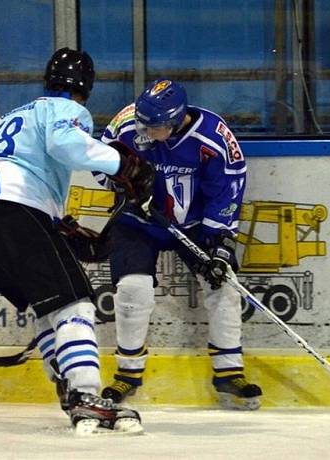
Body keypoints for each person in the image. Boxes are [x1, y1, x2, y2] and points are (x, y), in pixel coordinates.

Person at [0, 48, 154, 434]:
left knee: (48, 304)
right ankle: (86, 395)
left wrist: (59, 228)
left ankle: (67, 387)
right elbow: (66, 145)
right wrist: (123, 163)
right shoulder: (66, 110)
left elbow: (28, 166)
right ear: (86, 87)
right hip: (14, 207)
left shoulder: (15, 115)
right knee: (75, 301)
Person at [97, 79, 263, 410]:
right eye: (142, 122)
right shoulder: (128, 122)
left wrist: (220, 243)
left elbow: (229, 186)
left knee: (224, 285)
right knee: (132, 290)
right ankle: (128, 373)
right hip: (139, 222)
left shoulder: (213, 137)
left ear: (175, 120)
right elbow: (99, 161)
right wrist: (123, 180)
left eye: (153, 126)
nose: (144, 130)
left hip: (195, 225)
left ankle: (229, 373)